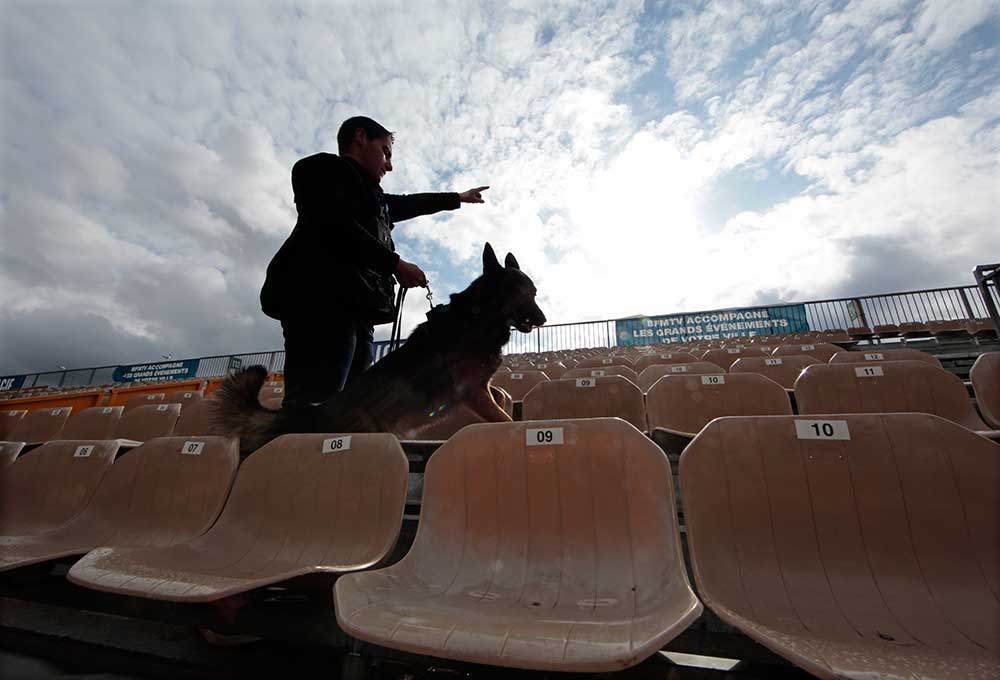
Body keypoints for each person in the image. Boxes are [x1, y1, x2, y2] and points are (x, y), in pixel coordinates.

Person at [260, 116, 489, 410]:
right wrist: (395, 264)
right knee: (314, 403)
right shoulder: (319, 169)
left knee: (350, 407)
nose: (389, 165)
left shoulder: (377, 199)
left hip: (358, 311)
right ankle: (294, 453)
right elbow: (332, 223)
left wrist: (457, 198)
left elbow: (412, 203)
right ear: (360, 137)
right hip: (319, 302)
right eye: (385, 151)